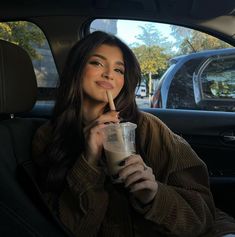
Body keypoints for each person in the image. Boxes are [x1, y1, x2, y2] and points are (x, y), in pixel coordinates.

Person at [32, 31, 235, 237]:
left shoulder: (148, 128)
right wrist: (89, 160)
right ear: (76, 69)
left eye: (119, 69)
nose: (109, 74)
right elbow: (66, 228)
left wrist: (154, 195)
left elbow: (202, 214)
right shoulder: (49, 136)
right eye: (97, 63)